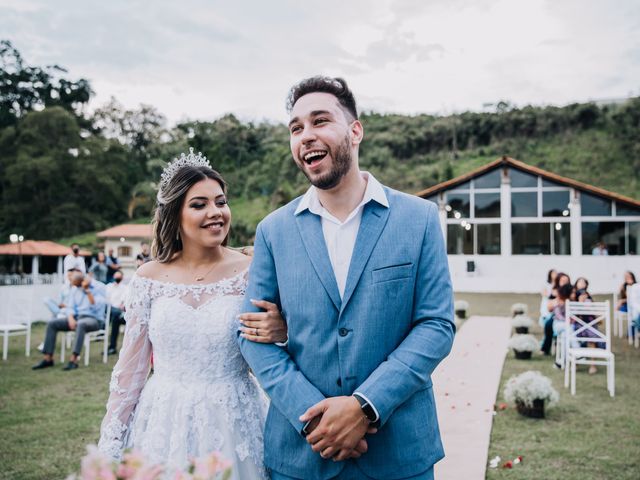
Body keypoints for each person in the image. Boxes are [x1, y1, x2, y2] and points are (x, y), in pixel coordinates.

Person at [238, 76, 455, 480]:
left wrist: (364, 405)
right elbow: (251, 338)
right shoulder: (273, 230)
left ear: (355, 131)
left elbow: (436, 326)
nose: (306, 136)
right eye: (296, 128)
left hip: (397, 453)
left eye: (320, 121)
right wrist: (316, 419)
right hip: (302, 454)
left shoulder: (419, 218)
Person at [98, 150, 287, 479]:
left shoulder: (252, 270)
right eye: (199, 204)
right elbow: (130, 372)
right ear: (176, 214)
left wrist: (282, 330)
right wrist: (110, 446)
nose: (215, 213)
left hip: (236, 418)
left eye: (220, 201)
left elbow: (282, 342)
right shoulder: (148, 278)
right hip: (163, 421)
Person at [32, 271, 104, 371]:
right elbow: (70, 307)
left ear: (82, 281)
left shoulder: (97, 288)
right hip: (76, 318)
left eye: (75, 283)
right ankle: (48, 358)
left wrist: (87, 290)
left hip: (93, 319)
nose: (73, 286)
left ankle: (73, 360)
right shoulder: (74, 290)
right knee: (52, 323)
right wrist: (70, 318)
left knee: (81, 324)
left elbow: (96, 306)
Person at [540, 272, 570, 355]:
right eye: (562, 281)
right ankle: (546, 348)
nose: (564, 282)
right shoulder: (555, 291)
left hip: (569, 317)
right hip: (557, 316)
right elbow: (549, 307)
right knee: (548, 324)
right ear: (558, 281)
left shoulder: (571, 291)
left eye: (566, 281)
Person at [106, 270, 127, 355]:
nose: (117, 278)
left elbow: (124, 302)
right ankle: (112, 347)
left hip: (119, 312)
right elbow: (106, 299)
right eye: (116, 276)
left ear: (122, 278)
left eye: (119, 276)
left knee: (115, 319)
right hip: (108, 309)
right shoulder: (109, 287)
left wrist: (122, 306)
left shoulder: (125, 288)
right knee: (114, 313)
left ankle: (112, 347)